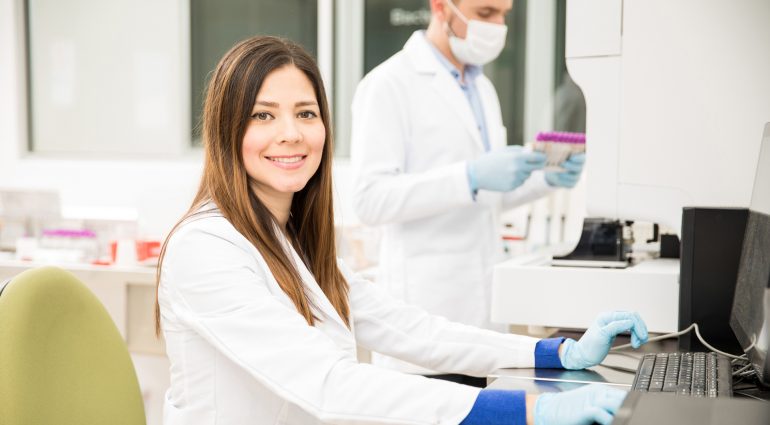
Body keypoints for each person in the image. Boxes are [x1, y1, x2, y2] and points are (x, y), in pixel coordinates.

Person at [155, 35, 646, 425]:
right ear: (226, 129)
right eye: (263, 115)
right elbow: (327, 384)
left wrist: (557, 352)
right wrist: (533, 410)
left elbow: (409, 328)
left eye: (306, 113)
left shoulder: (290, 241)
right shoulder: (207, 248)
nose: (292, 133)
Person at [350, 0, 586, 377]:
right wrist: (469, 176)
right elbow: (369, 200)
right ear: (441, 7)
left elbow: (486, 196)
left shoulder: (482, 88)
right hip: (424, 313)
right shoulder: (389, 84)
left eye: (504, 15)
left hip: (483, 317)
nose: (498, 26)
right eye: (486, 13)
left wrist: (544, 181)